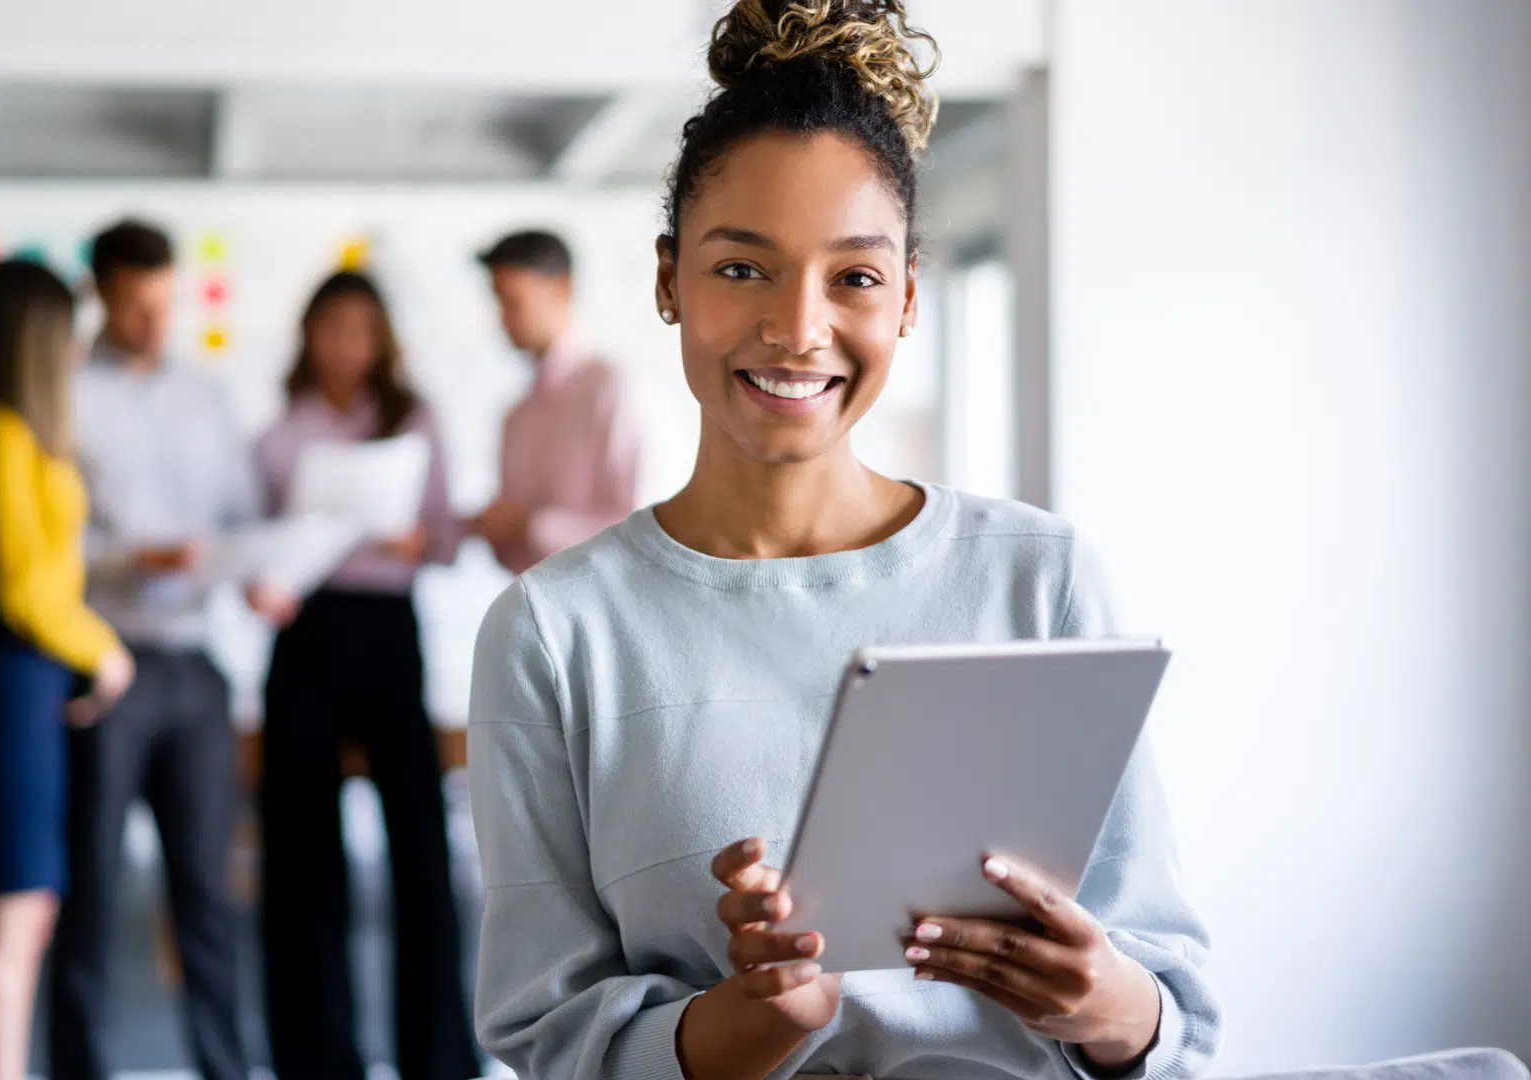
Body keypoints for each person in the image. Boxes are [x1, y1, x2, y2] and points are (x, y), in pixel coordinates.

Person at [466, 3, 1223, 1080]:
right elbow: (547, 1033)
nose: (798, 326)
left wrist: (1108, 1004)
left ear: (909, 297)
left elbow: (1173, 1008)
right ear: (668, 279)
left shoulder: (1038, 578)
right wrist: (756, 1024)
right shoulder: (555, 633)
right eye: (742, 268)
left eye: (855, 277)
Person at [250, 270, 478, 1080]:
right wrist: (260, 575)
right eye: (331, 327)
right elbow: (253, 545)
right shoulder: (280, 434)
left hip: (387, 634)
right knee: (302, 859)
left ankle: (440, 1059)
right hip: (306, 637)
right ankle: (315, 1061)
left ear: (381, 339)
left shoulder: (415, 422)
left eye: (361, 328)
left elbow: (448, 539)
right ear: (308, 335)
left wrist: (421, 542)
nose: (346, 343)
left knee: (420, 852)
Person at [50, 219, 262, 1080]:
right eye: (134, 305)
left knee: (208, 897)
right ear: (100, 294)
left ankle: (226, 1070)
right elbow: (49, 543)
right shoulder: (63, 393)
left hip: (196, 669)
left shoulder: (208, 395)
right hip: (105, 664)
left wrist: (255, 569)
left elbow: (240, 516)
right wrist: (127, 559)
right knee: (90, 894)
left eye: (162, 303)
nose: (151, 321)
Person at [0, 259, 135, 1080]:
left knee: (30, 912)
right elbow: (21, 585)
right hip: (8, 670)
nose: (83, 346)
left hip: (27, 675)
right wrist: (104, 651)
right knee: (11, 918)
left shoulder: (13, 429)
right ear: (38, 337)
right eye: (73, 329)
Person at [469, 229, 641, 574]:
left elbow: (639, 531)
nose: (501, 319)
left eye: (512, 301)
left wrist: (532, 527)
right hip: (530, 612)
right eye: (497, 301)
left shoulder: (613, 390)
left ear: (562, 289)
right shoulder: (516, 415)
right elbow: (511, 554)